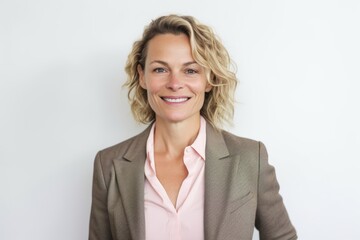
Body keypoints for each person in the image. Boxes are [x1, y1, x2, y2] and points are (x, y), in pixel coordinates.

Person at [89, 14, 297, 240]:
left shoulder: (250, 158)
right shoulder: (108, 165)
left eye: (190, 70)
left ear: (208, 79)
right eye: (160, 69)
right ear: (142, 76)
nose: (175, 84)